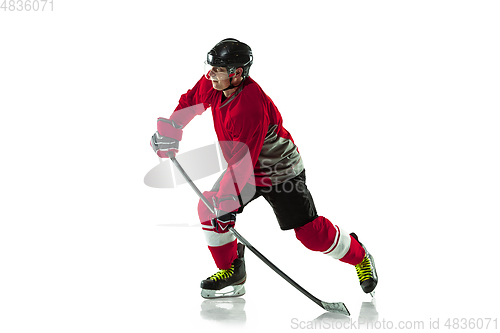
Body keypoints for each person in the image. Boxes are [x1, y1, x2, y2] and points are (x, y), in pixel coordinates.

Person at [150, 38, 378, 299]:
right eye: (211, 68)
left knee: (310, 235)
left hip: (280, 172)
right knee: (208, 208)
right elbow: (191, 101)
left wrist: (226, 202)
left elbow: (242, 161)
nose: (211, 74)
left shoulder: (249, 106)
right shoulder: (215, 85)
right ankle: (232, 271)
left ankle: (360, 255)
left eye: (219, 70)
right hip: (245, 168)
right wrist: (171, 130)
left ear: (237, 73)